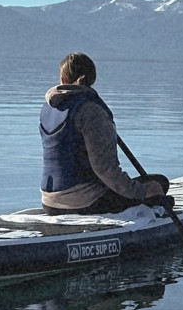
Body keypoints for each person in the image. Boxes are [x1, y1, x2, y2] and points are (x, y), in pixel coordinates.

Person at [40, 53, 171, 213]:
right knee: (159, 183)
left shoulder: (48, 109)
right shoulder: (91, 111)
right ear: (92, 79)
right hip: (85, 204)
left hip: (49, 203)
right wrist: (142, 192)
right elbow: (105, 169)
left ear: (63, 79)